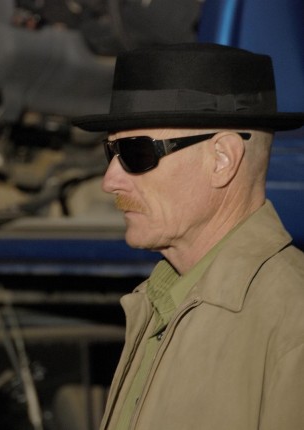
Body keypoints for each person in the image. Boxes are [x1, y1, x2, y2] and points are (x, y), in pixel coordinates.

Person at [72, 43, 304, 429]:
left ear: (222, 160)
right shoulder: (157, 302)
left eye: (136, 153)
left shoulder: (293, 321)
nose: (109, 181)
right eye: (110, 153)